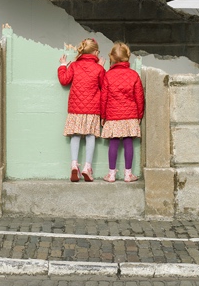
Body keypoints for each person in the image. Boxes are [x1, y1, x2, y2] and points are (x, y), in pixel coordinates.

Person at [58, 38, 105, 182]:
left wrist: (63, 65)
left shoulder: (74, 66)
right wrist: (102, 68)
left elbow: (64, 80)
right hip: (92, 108)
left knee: (75, 136)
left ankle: (73, 165)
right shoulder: (98, 69)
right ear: (96, 52)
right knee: (91, 137)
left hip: (75, 109)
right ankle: (87, 167)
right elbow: (104, 87)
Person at [100, 42, 144, 183]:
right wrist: (139, 115)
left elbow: (103, 98)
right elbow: (139, 98)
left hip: (112, 116)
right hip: (130, 115)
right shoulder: (134, 75)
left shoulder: (108, 76)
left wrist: (103, 116)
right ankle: (128, 174)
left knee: (113, 143)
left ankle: (111, 174)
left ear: (112, 57)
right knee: (128, 142)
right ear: (127, 57)